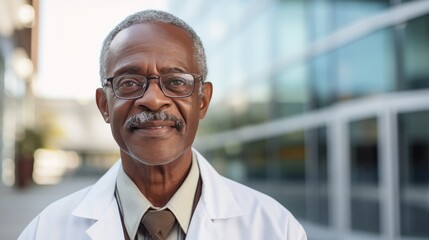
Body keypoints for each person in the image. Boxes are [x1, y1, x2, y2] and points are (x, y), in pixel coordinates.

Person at [18, 10, 307, 240]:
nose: (154, 100)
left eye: (176, 82)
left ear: (202, 101)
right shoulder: (45, 231)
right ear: (104, 105)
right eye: (129, 82)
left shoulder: (276, 229)